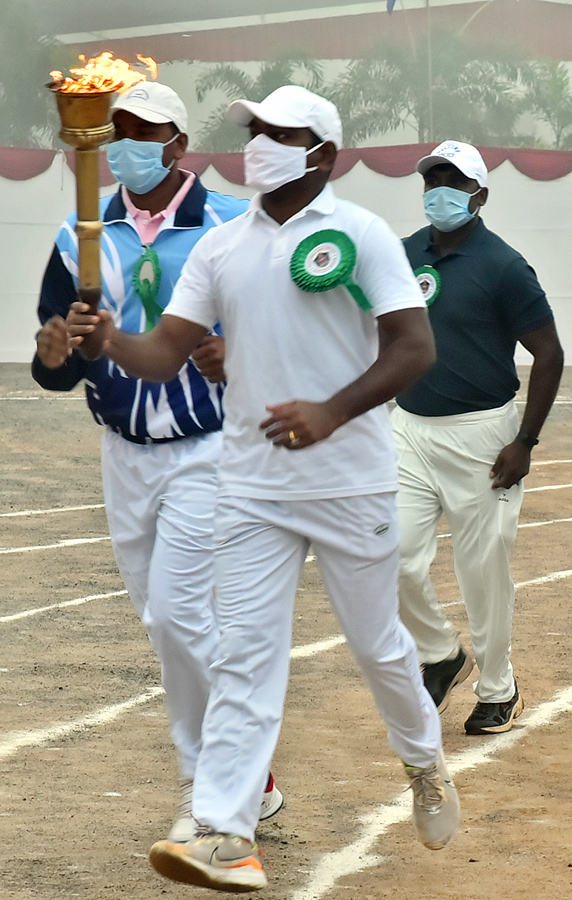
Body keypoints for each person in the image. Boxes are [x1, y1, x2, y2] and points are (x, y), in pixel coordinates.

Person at [67, 85, 458, 893]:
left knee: (379, 648)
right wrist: (111, 341)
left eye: (280, 133)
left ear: (323, 152)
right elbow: (164, 354)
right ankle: (225, 830)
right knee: (245, 658)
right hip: (248, 487)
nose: (259, 146)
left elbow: (413, 346)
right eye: (253, 132)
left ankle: (423, 760)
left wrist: (331, 412)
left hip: (349, 484)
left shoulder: (363, 233)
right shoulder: (223, 246)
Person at [32, 81, 284, 843]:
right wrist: (52, 358)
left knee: (180, 616)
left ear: (179, 145)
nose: (127, 149)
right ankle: (255, 776)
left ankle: (210, 791)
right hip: (123, 454)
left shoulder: (235, 227)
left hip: (206, 451)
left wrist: (235, 355)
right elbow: (61, 360)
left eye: (145, 134)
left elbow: (276, 339)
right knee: (165, 620)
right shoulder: (80, 237)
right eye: (120, 134)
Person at [394, 140, 563, 736]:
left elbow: (548, 353)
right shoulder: (404, 253)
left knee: (483, 568)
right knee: (388, 554)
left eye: (453, 181)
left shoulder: (504, 265)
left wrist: (525, 440)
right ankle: (440, 653)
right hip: (409, 428)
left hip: (483, 436)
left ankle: (499, 686)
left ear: (480, 194)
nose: (439, 191)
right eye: (431, 181)